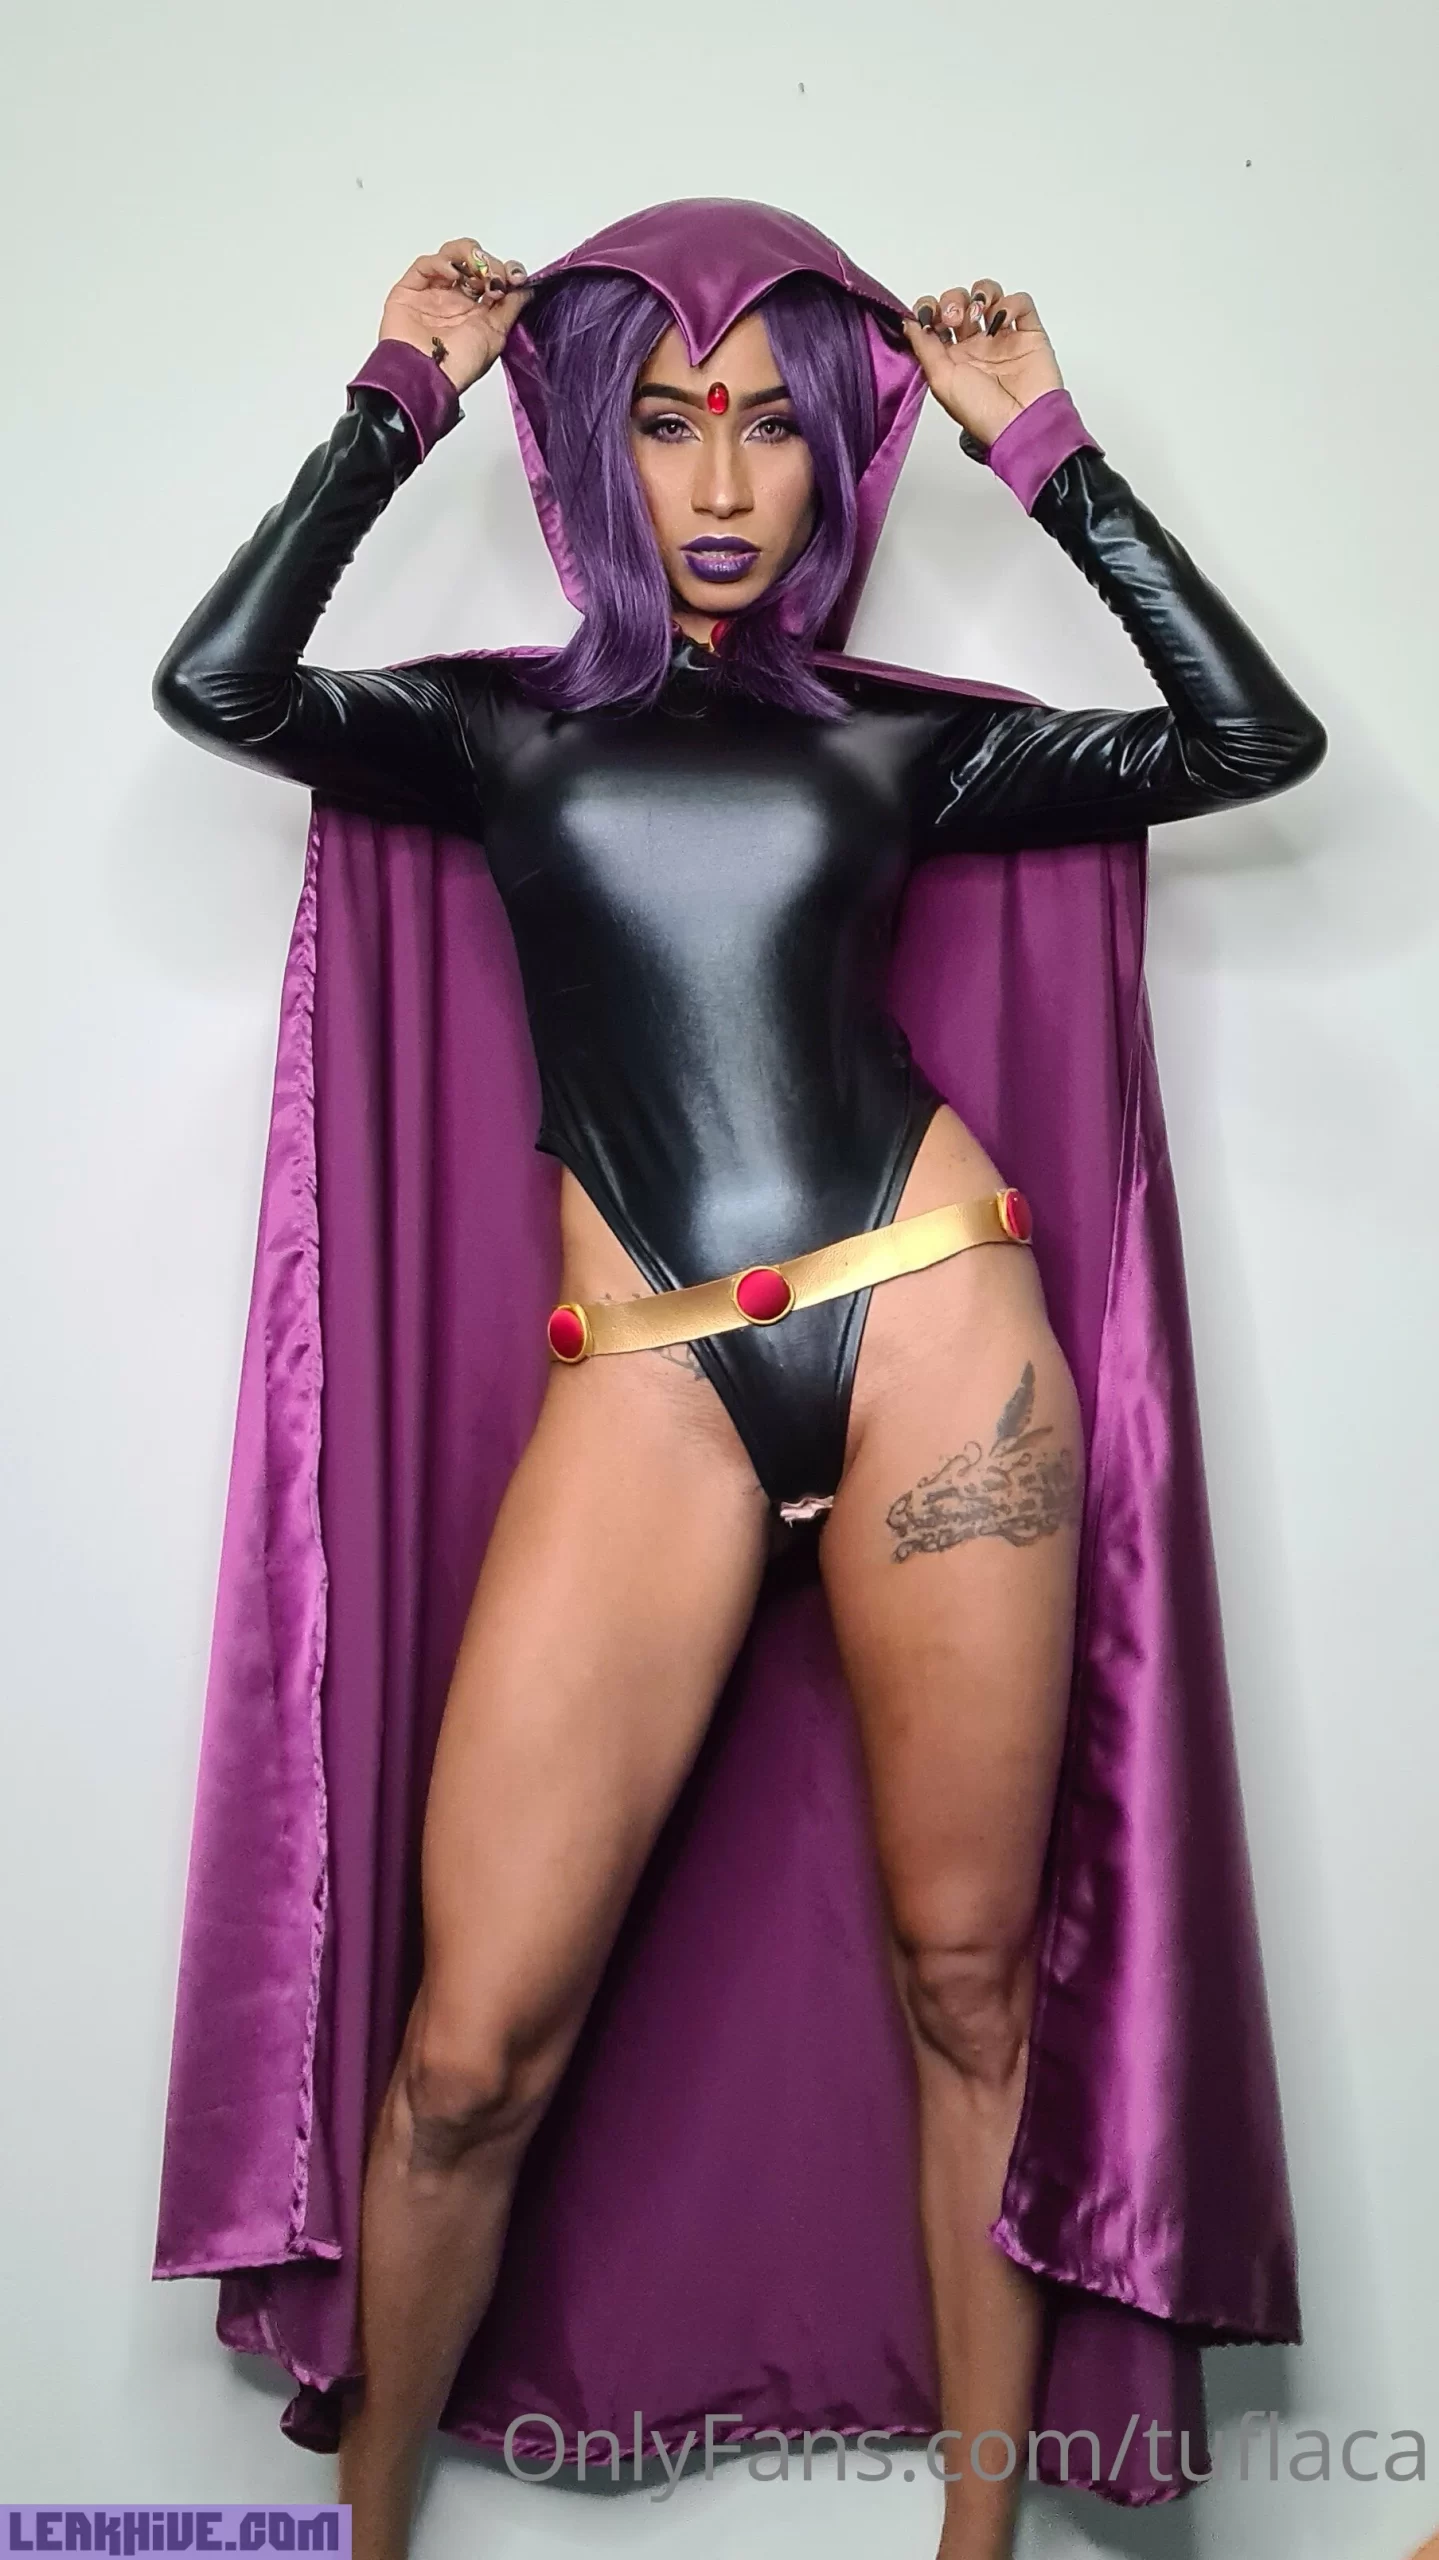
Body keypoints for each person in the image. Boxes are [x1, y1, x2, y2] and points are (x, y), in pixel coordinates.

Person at [152, 199, 1325, 2560]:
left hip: (933, 1329)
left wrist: (1046, 448)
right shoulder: (491, 729)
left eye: (775, 429)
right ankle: (357, 2539)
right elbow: (225, 686)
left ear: (838, 457)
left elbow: (1243, 739)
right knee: (467, 2057)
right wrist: (396, 398)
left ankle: (971, 2550)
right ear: (590, 445)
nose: (718, 483)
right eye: (670, 424)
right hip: (650, 1380)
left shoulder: (889, 742)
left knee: (967, 1980)